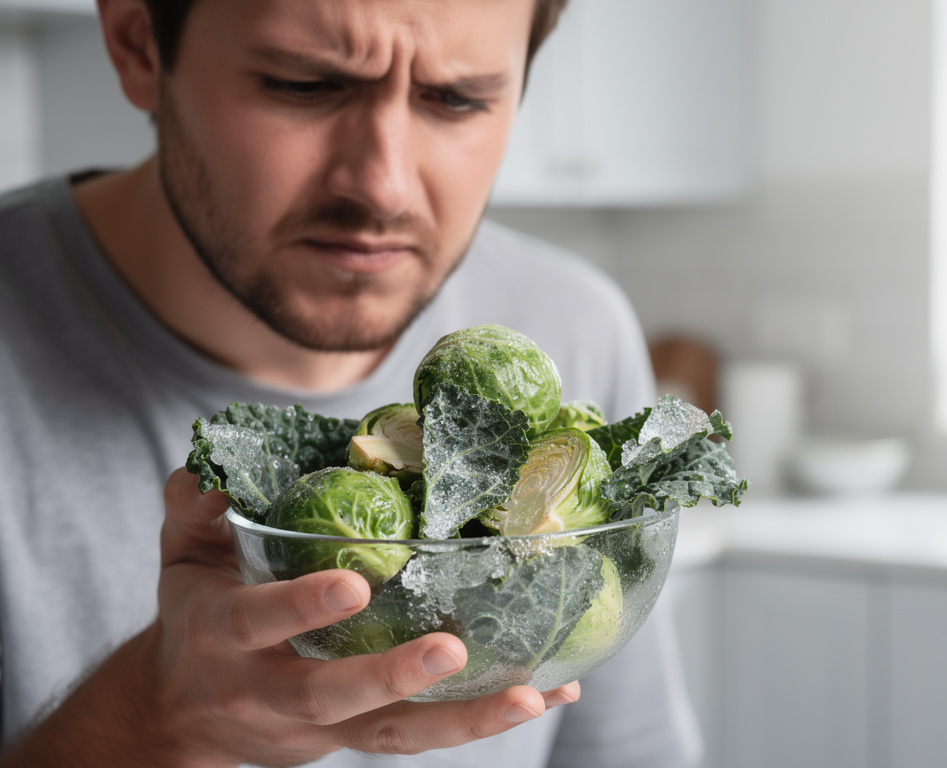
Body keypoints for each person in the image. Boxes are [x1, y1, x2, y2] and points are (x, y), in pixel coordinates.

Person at [0, 0, 700, 765]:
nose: (383, 188)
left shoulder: (575, 324)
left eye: (458, 98)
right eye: (303, 84)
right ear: (137, 43)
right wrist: (150, 718)